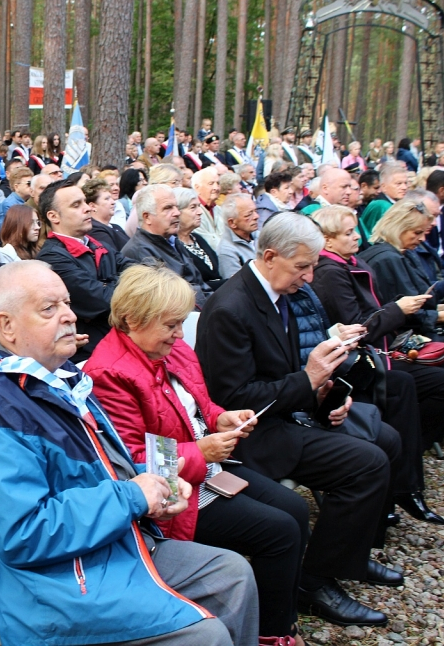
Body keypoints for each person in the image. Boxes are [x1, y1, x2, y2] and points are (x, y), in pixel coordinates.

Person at [0, 260, 258, 646]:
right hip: (57, 583)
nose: (69, 316)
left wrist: (156, 485)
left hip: (107, 546)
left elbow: (105, 471)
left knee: (233, 574)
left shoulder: (59, 381)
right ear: (7, 326)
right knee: (204, 636)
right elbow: (23, 533)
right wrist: (132, 496)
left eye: (66, 303)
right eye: (49, 309)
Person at [195, 211, 402, 627]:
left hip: (287, 418)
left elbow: (290, 375)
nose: (309, 277)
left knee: (387, 440)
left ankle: (347, 558)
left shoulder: (278, 293)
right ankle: (315, 580)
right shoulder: (231, 309)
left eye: (312, 266)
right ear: (270, 256)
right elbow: (232, 400)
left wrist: (326, 393)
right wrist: (309, 380)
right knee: (368, 463)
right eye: (302, 267)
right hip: (252, 437)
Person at [86, 265, 309, 643]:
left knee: (296, 510)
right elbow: (130, 461)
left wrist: (222, 418)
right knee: (280, 532)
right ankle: (271, 634)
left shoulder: (168, 349)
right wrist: (200, 451)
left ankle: (281, 612)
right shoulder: (110, 373)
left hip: (203, 470)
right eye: (171, 324)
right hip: (171, 495)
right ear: (132, 320)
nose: (180, 332)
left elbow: (197, 406)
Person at [311, 203, 444, 514]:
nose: (358, 237)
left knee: (435, 380)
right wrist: (400, 309)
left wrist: (403, 308)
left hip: (376, 354)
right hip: (354, 363)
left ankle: (403, 482)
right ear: (327, 241)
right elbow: (357, 327)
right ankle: (402, 484)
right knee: (413, 385)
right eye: (349, 232)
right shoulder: (331, 273)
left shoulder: (352, 263)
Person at [361, 200, 444, 378]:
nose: (422, 239)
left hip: (418, 332)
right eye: (417, 233)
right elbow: (402, 312)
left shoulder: (401, 253)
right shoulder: (388, 259)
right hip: (405, 340)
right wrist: (442, 315)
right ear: (399, 228)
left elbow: (419, 297)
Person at [37, 179, 130, 361]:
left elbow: (139, 271)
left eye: (85, 202)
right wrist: (115, 282)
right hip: (91, 354)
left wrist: (105, 284)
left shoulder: (98, 245)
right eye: (76, 205)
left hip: (119, 340)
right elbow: (100, 301)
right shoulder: (52, 258)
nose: (88, 208)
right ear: (54, 216)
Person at [121, 185, 212, 305]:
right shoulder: (138, 251)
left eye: (177, 207)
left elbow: (199, 284)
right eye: (168, 208)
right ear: (147, 217)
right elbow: (167, 300)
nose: (177, 213)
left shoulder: (173, 242)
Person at [175, 187, 223, 290]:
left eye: (199, 206)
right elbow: (191, 286)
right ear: (177, 212)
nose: (200, 212)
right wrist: (226, 283)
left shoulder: (197, 238)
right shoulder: (174, 246)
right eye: (193, 207)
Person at [217, 193, 259, 279]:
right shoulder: (226, 251)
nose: (256, 216)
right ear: (232, 223)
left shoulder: (260, 235)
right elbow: (237, 287)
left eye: (255, 211)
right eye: (248, 215)